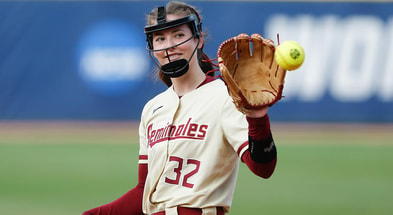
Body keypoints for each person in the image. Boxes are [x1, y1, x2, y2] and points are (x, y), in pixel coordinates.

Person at [82, 1, 277, 215]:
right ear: (152, 47)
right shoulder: (153, 108)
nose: (169, 45)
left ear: (198, 39)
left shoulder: (224, 96)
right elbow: (143, 192)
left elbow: (263, 168)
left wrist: (257, 118)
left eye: (178, 35)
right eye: (160, 38)